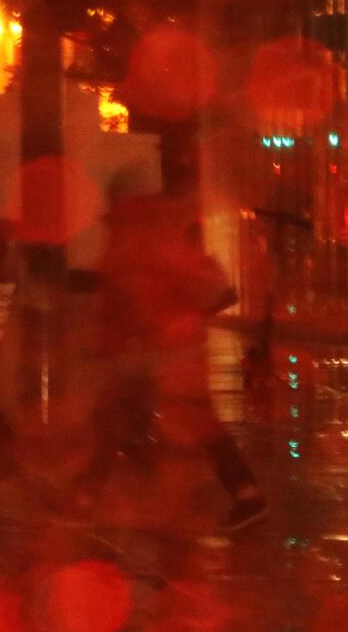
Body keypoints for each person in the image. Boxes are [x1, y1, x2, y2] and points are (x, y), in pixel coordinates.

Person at [76, 194, 268, 531]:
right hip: (169, 349)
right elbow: (222, 292)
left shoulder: (137, 248)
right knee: (127, 417)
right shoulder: (163, 246)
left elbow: (118, 304)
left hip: (168, 351)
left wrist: (165, 323)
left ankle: (86, 498)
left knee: (126, 418)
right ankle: (246, 495)